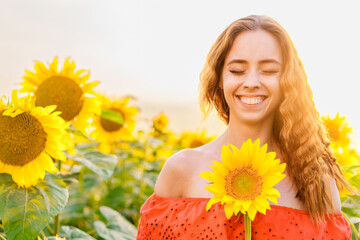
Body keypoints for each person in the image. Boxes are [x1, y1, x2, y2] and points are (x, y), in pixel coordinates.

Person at [136, 15, 352, 239]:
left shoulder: (315, 181)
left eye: (268, 71)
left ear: (287, 81)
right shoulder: (181, 171)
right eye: (237, 71)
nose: (251, 83)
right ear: (219, 78)